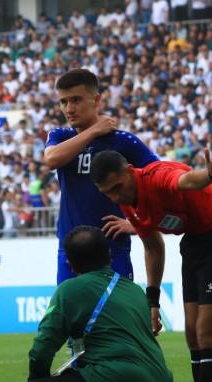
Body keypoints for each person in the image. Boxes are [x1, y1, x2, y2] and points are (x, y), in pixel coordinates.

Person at [90, 150, 212, 382]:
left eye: (117, 187)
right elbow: (153, 247)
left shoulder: (156, 176)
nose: (116, 197)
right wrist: (152, 300)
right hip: (196, 243)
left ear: (129, 170)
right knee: (192, 333)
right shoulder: (128, 203)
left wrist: (209, 175)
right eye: (108, 193)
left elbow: (186, 180)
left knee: (207, 332)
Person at [12, 226, 173, 382]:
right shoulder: (134, 290)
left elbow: (42, 350)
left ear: (70, 263)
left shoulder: (70, 290)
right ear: (109, 254)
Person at [43, 68, 157, 284]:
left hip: (112, 248)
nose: (69, 108)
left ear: (96, 100)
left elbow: (158, 179)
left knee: (115, 316)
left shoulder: (122, 141)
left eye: (76, 100)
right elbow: (51, 160)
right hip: (71, 250)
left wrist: (137, 223)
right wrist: (94, 131)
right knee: (74, 317)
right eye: (63, 102)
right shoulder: (60, 136)